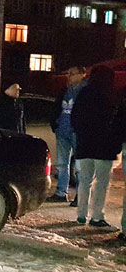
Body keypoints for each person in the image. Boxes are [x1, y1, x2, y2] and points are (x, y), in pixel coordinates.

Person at [71, 65, 121, 228]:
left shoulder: (84, 94)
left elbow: (75, 119)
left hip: (85, 146)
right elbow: (115, 124)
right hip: (104, 148)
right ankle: (97, 216)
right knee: (101, 183)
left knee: (85, 181)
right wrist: (115, 144)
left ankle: (81, 214)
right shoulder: (110, 96)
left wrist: (81, 136)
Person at [47, 67, 86, 203]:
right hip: (62, 131)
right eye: (68, 73)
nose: (69, 76)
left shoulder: (86, 92)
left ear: (82, 75)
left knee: (80, 166)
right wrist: (55, 124)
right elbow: (56, 107)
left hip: (77, 133)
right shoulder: (64, 91)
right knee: (62, 164)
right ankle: (61, 192)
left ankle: (80, 196)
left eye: (72, 74)